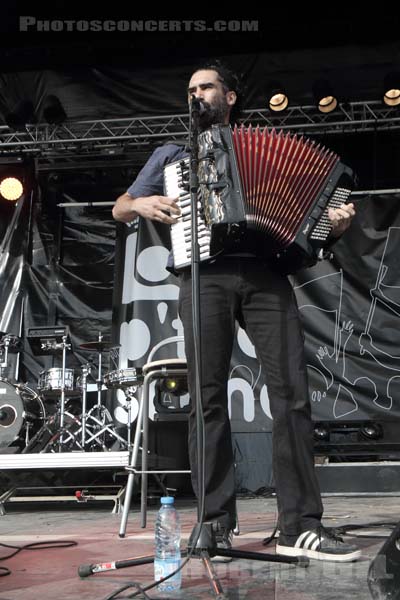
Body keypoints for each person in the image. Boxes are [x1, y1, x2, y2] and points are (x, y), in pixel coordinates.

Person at [113, 60, 360, 563]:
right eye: (190, 88)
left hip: (265, 273)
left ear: (228, 97)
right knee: (206, 398)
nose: (196, 94)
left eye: (205, 87)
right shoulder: (170, 154)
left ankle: (300, 524)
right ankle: (215, 521)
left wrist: (331, 226)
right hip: (204, 274)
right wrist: (141, 206)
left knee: (291, 393)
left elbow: (309, 228)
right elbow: (120, 206)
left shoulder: (266, 146)